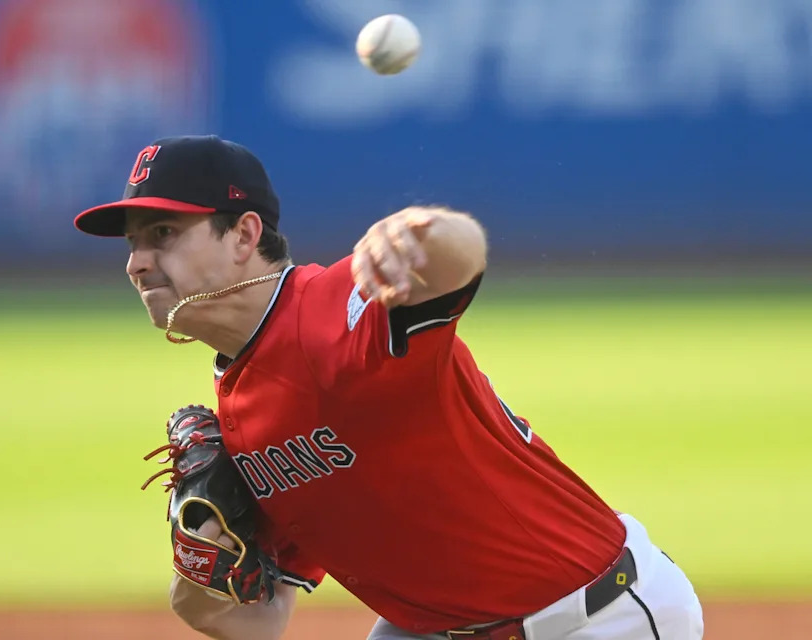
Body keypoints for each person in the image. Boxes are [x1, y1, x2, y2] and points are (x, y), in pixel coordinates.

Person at [73, 135, 704, 640]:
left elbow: (462, 263)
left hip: (597, 618)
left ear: (243, 235)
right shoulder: (237, 418)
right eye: (132, 244)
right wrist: (195, 574)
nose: (136, 263)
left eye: (164, 234)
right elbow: (259, 623)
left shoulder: (339, 306)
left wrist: (422, 230)